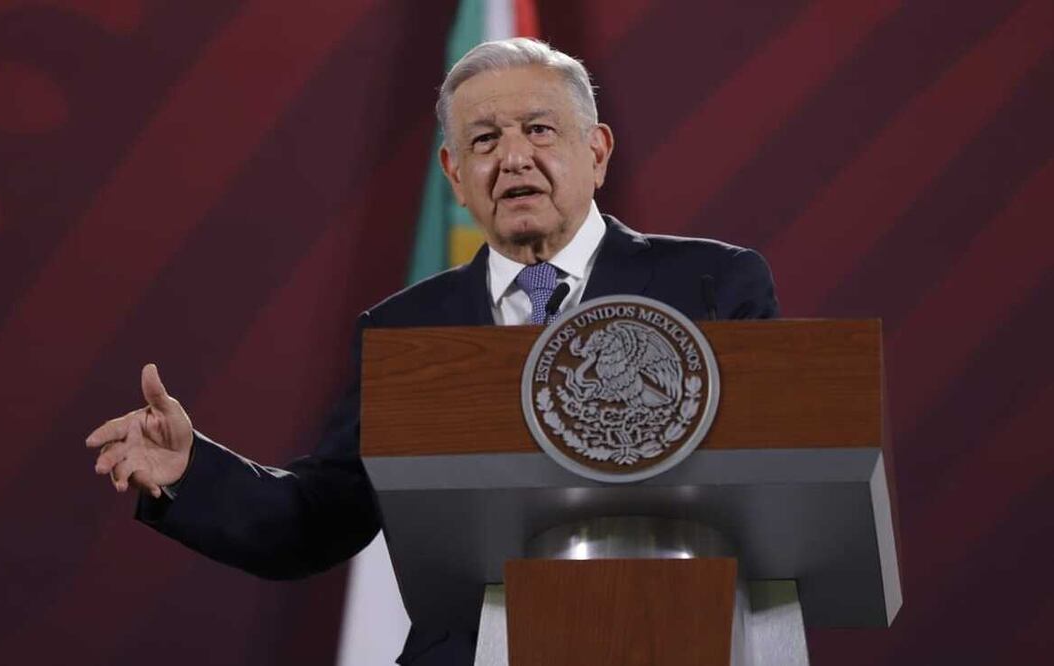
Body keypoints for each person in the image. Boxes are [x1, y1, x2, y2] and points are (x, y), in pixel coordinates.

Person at [85, 38, 778, 665]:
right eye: (484, 140)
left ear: (596, 152)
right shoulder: (404, 329)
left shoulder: (713, 286)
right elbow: (321, 519)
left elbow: (777, 477)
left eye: (539, 129)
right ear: (455, 173)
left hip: (674, 639)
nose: (513, 158)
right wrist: (191, 470)